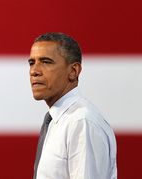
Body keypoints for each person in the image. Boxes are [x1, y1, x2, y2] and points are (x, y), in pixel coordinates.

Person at [29, 32, 117, 179]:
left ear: (73, 71)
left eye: (46, 62)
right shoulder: (57, 121)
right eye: (32, 63)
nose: (34, 71)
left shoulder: (81, 122)